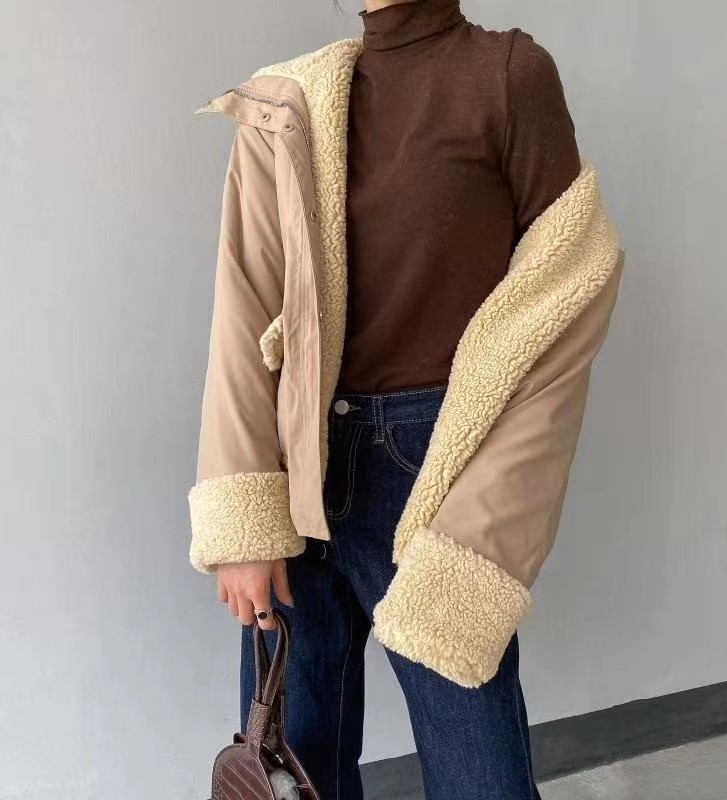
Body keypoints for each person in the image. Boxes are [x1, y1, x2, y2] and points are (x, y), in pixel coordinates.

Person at [188, 1, 624, 797]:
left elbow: (569, 287)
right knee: (293, 766)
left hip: (434, 463)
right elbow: (244, 314)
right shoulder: (287, 101)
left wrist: (484, 516)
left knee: (480, 774)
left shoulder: (508, 73)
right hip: (298, 463)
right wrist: (241, 525)